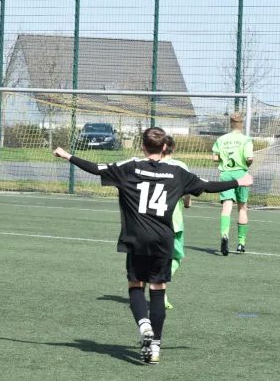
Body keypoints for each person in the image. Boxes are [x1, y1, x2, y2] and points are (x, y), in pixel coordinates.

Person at [53, 127, 253, 365]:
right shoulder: (177, 172)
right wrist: (239, 180)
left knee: (135, 286)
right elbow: (208, 186)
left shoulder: (130, 167)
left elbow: (97, 169)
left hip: (136, 237)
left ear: (142, 146)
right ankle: (155, 347)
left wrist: (67, 156)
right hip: (163, 238)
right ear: (165, 147)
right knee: (158, 290)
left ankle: (143, 325)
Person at [212, 112, 254, 255]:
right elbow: (249, 158)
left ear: (230, 124)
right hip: (241, 174)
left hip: (226, 175)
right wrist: (248, 162)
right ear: (242, 124)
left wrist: (222, 159)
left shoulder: (222, 139)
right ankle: (241, 243)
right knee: (242, 208)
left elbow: (215, 157)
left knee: (226, 207)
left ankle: (225, 235)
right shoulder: (246, 140)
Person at [160, 135, 191, 310]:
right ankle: (160, 286)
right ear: (173, 149)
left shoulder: (148, 164)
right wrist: (187, 202)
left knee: (156, 257)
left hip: (149, 218)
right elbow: (188, 191)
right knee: (175, 258)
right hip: (173, 219)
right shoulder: (180, 166)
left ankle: (157, 285)